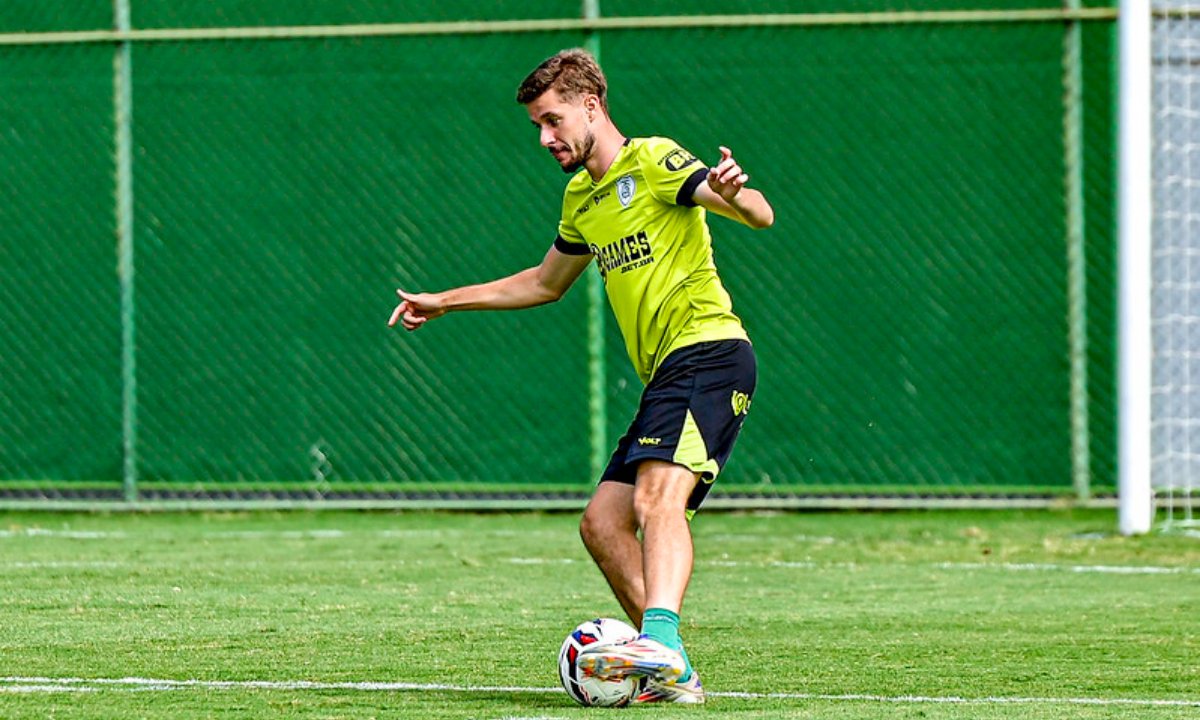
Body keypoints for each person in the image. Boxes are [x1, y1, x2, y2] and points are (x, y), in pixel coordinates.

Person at [388, 48, 774, 704]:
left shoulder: (651, 160)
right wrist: (445, 300)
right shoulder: (582, 199)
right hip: (667, 374)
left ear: (591, 106)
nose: (545, 137)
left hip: (707, 353)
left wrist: (736, 196)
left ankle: (663, 642)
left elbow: (757, 211)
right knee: (601, 523)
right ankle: (670, 670)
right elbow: (544, 282)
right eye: (537, 126)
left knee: (657, 502)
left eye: (553, 119)